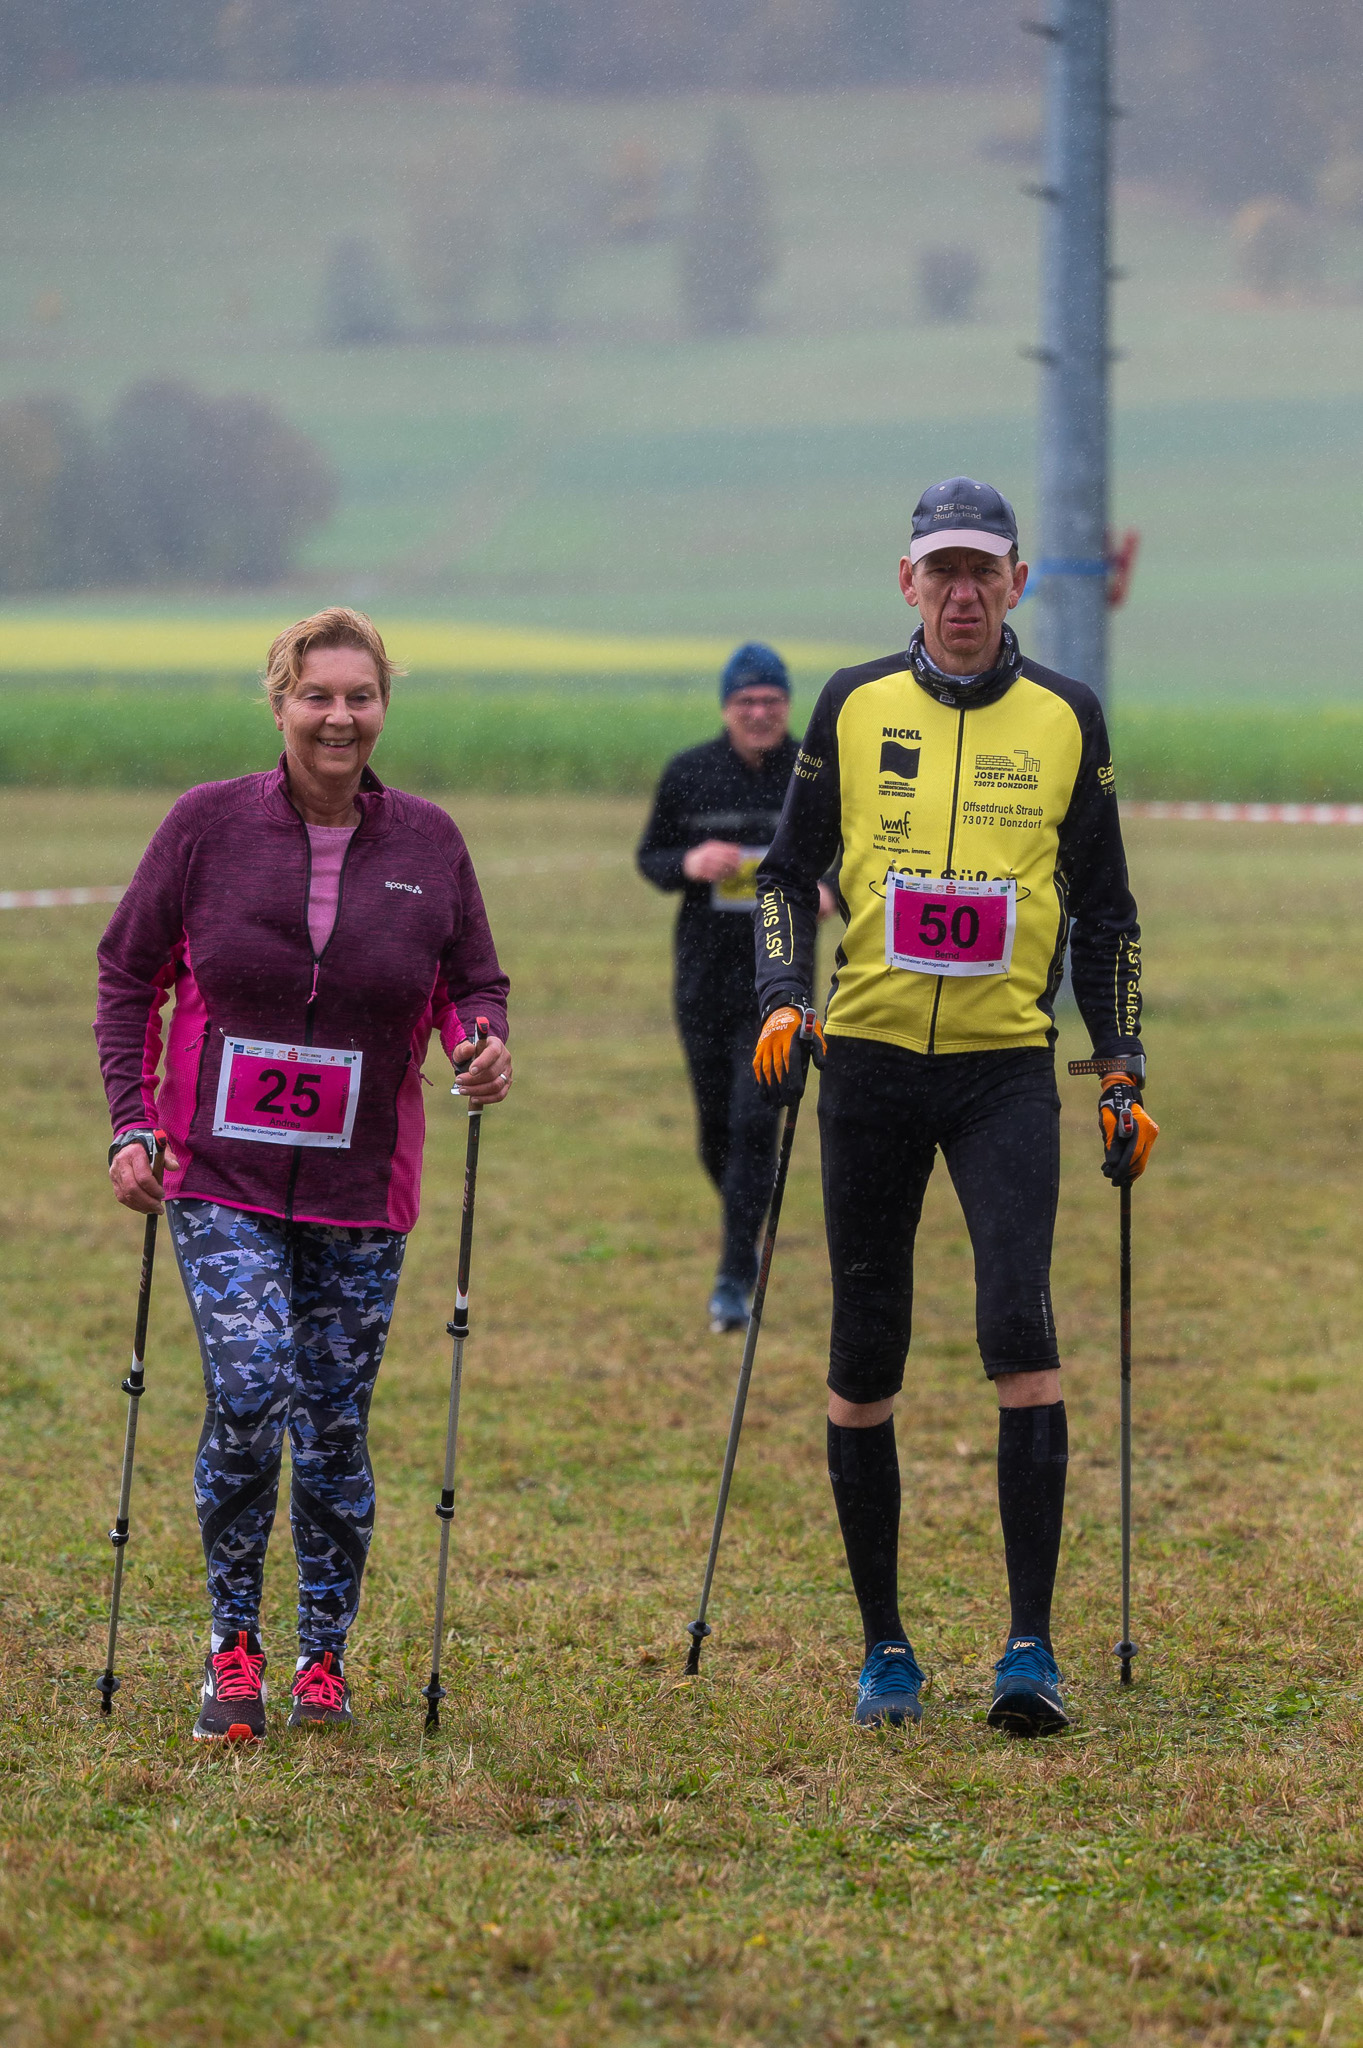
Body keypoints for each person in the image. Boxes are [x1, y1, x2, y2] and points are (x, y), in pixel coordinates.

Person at [751, 478, 1157, 1737]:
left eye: (985, 571)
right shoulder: (852, 702)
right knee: (865, 1346)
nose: (963, 593)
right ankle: (885, 1647)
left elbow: (1109, 914)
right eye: (943, 571)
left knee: (1015, 1327)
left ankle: (1029, 1646)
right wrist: (781, 996)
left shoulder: (1067, 715)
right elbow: (783, 876)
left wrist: (1121, 1064)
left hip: (1002, 1072)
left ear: (1018, 582)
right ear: (907, 581)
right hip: (869, 1063)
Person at [95, 607, 511, 1743]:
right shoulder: (206, 825)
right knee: (249, 1388)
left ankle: (322, 1654)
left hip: (363, 1186)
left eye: (359, 696)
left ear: (383, 707)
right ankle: (232, 1645)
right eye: (317, 695)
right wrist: (131, 1123)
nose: (339, 717)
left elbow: (473, 979)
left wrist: (479, 1039)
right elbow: (128, 974)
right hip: (218, 1171)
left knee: (333, 1423)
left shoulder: (429, 842)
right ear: (279, 703)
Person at [638, 643, 832, 1333]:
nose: (759, 713)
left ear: (788, 706)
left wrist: (828, 890)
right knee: (716, 1132)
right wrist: (690, 861)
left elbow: (852, 855)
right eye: (746, 701)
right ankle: (744, 1232)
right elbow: (651, 857)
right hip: (702, 978)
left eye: (771, 701)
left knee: (756, 1122)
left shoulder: (815, 772)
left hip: (777, 984)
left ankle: (732, 1277)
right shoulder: (689, 772)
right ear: (726, 708)